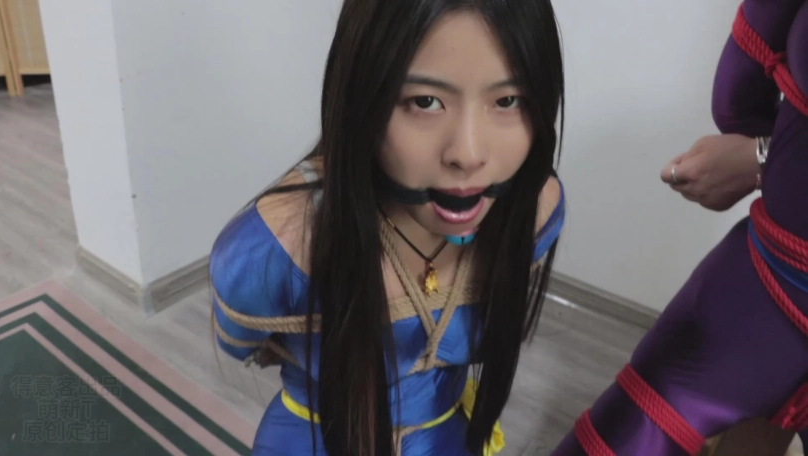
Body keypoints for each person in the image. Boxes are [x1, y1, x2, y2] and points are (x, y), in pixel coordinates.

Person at [209, 0, 567, 454]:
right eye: (425, 102)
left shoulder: (534, 210)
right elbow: (243, 345)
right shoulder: (273, 249)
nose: (468, 154)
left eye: (507, 101)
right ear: (359, 95)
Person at [552, 0, 808, 454]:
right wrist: (768, 155)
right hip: (768, 282)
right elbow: (741, 83)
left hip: (765, 287)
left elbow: (737, 90)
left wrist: (765, 155)